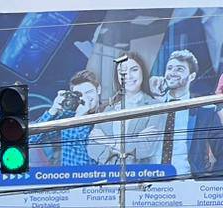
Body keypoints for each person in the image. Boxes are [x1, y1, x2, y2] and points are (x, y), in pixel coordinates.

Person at [89, 51, 166, 165]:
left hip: (141, 176)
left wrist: (108, 141)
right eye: (122, 72)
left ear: (143, 72)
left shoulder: (156, 107)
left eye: (134, 70)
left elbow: (146, 148)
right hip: (108, 176)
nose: (128, 76)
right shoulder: (108, 109)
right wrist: (133, 142)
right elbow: (92, 148)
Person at [155, 49, 223, 177]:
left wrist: (212, 184)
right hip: (148, 183)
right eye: (169, 68)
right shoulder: (152, 107)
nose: (172, 73)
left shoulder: (205, 112)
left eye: (179, 69)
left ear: (191, 76)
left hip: (188, 185)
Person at [31, 69, 103, 167]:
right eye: (80, 95)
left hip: (98, 178)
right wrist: (53, 110)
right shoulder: (68, 117)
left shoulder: (108, 114)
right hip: (68, 179)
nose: (85, 98)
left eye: (89, 92)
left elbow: (87, 159)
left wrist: (80, 117)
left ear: (98, 89)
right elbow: (32, 139)